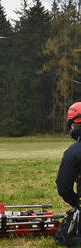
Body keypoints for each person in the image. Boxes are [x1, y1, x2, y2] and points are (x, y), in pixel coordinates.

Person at [55, 102, 81, 246]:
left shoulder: (73, 153)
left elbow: (63, 187)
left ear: (74, 125)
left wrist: (77, 203)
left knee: (65, 237)